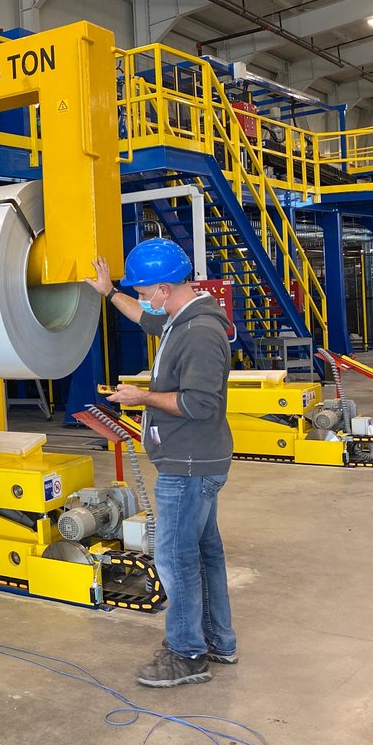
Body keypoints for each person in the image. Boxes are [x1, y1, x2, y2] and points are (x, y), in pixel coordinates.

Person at [84, 238, 236, 688]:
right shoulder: (178, 319)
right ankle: (217, 641)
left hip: (189, 465)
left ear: (167, 288)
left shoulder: (200, 333)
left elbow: (200, 403)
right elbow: (146, 318)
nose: (145, 299)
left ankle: (187, 654)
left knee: (174, 558)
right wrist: (110, 291)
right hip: (193, 460)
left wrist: (141, 396)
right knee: (204, 553)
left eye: (147, 291)